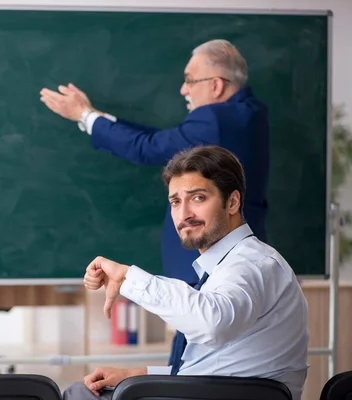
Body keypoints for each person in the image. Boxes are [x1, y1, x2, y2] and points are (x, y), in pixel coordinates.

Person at [63, 145, 308, 400]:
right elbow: (218, 371)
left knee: (78, 395)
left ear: (232, 202)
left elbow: (213, 323)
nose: (184, 214)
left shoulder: (251, 263)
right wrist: (136, 373)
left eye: (198, 198)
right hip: (216, 393)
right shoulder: (230, 263)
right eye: (175, 202)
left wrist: (126, 277)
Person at [40, 39, 269, 288]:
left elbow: (148, 147)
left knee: (198, 322)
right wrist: (97, 116)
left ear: (216, 85)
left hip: (206, 259)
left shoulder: (213, 119)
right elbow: (159, 140)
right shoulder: (251, 113)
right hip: (237, 250)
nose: (184, 89)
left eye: (190, 80)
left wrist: (84, 115)